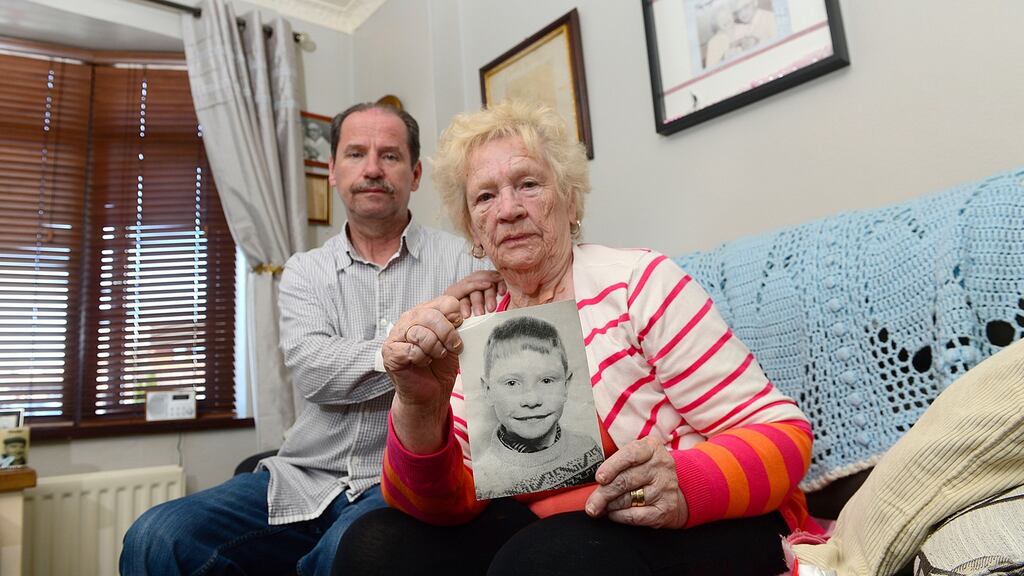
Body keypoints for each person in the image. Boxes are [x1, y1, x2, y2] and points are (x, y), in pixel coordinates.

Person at [334, 100, 822, 576]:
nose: (508, 210)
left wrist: (686, 485)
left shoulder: (639, 283)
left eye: (528, 185)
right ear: (474, 233)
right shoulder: (477, 326)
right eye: (485, 196)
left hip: (709, 515)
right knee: (376, 546)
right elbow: (440, 506)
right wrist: (420, 405)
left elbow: (786, 437)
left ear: (569, 203)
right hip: (559, 530)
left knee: (544, 559)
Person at [120, 102, 502, 576]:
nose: (371, 169)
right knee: (156, 537)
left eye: (390, 156)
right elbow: (313, 369)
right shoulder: (304, 270)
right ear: (332, 172)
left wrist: (421, 348)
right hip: (302, 475)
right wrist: (402, 352)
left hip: (399, 483)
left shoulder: (466, 263)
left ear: (416, 173)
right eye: (356, 154)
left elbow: (483, 375)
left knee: (346, 554)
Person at [471, 316, 603, 500]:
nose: (531, 400)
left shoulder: (588, 448)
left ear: (566, 385)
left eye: (546, 380)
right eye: (512, 383)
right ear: (488, 390)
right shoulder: (485, 480)